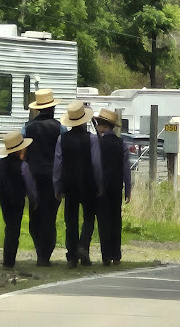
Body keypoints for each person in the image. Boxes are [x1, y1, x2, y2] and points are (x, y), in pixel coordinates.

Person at [53, 100, 103, 268]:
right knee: (89, 217)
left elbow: (58, 164)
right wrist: (99, 184)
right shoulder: (92, 139)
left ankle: (72, 255)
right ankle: (83, 246)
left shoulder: (62, 139)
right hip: (88, 182)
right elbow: (96, 164)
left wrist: (57, 186)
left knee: (71, 220)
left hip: (69, 183)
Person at [23, 89, 62, 267]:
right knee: (50, 215)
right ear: (52, 108)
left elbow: (22, 152)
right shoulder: (60, 128)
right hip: (53, 176)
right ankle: (46, 253)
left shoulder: (27, 127)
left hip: (33, 175)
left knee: (35, 213)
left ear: (38, 109)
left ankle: (39, 249)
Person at [0, 131, 37, 269]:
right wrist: (33, 200)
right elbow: (30, 185)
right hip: (18, 199)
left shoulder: (1, 164)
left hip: (4, 200)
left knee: (9, 226)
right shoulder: (23, 166)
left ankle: (7, 259)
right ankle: (10, 260)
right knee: (15, 229)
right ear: (20, 149)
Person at [95, 108, 131, 266]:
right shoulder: (121, 143)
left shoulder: (97, 143)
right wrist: (128, 188)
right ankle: (116, 254)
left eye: (98, 124)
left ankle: (106, 256)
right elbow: (126, 168)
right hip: (116, 185)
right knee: (116, 218)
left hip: (101, 186)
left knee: (103, 220)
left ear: (103, 126)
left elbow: (96, 165)